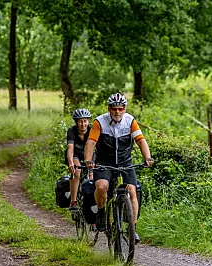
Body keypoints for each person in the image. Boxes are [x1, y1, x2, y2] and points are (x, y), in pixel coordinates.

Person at [83, 92, 153, 241]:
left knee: (132, 190)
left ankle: (132, 228)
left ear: (124, 109)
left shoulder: (130, 121)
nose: (117, 111)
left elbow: (140, 141)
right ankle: (101, 213)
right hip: (104, 162)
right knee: (101, 186)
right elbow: (91, 142)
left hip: (125, 161)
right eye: (114, 108)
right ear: (109, 108)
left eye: (120, 109)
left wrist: (147, 157)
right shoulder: (99, 122)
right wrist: (88, 160)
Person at [65, 108, 92, 210]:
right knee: (77, 172)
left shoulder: (92, 130)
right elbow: (70, 148)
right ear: (76, 122)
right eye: (80, 121)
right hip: (75, 155)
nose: (83, 124)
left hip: (88, 155)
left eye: (85, 121)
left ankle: (91, 201)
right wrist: (71, 163)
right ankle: (73, 201)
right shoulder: (71, 131)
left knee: (92, 174)